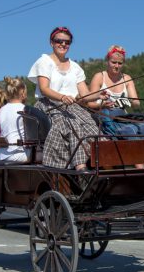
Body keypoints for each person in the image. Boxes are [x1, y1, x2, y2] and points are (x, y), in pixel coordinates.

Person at [27, 26, 106, 170]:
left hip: (72, 107)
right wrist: (62, 97)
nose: (63, 44)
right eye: (59, 41)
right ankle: (80, 168)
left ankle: (102, 164)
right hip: (49, 104)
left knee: (92, 126)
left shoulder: (75, 67)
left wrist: (99, 95)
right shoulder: (44, 62)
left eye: (67, 42)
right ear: (52, 42)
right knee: (72, 126)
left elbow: (84, 95)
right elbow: (44, 89)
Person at [88, 44, 144, 138]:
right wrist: (102, 105)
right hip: (103, 119)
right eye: (113, 62)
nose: (117, 66)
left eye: (120, 63)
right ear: (107, 61)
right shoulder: (99, 77)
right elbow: (89, 104)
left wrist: (129, 101)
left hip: (121, 118)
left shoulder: (127, 78)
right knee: (130, 131)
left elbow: (136, 102)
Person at [0, 77, 31, 162]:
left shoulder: (2, 109)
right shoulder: (25, 109)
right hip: (19, 154)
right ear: (23, 92)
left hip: (2, 155)